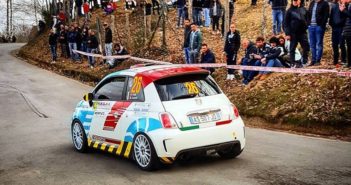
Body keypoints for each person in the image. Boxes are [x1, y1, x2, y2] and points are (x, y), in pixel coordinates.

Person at [284, 0, 310, 67]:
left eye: (296, 0)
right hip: (293, 33)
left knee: (306, 47)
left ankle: (304, 61)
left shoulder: (304, 9)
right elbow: (285, 23)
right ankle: (292, 63)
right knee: (292, 49)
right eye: (294, 1)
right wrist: (287, 34)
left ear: (300, 1)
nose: (295, 2)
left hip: (302, 33)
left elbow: (308, 19)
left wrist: (306, 26)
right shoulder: (289, 11)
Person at [308, 0, 330, 66]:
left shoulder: (325, 3)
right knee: (312, 44)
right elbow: (309, 14)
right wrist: (308, 24)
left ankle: (318, 60)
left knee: (319, 43)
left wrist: (322, 25)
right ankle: (313, 60)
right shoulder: (312, 3)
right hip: (311, 26)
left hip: (319, 26)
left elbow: (326, 15)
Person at [330, 0, 347, 65]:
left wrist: (342, 24)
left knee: (342, 44)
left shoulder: (345, 6)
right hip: (334, 28)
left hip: (341, 28)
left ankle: (344, 60)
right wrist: (332, 24)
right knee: (334, 45)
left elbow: (345, 17)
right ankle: (335, 60)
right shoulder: (334, 6)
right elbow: (331, 16)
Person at [340, 0, 351, 68]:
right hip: (346, 29)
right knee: (348, 47)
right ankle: (349, 63)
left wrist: (343, 10)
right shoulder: (348, 5)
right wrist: (343, 9)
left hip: (350, 29)